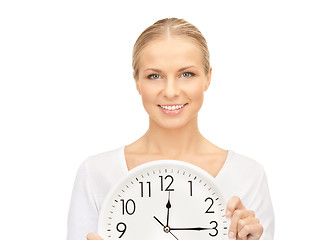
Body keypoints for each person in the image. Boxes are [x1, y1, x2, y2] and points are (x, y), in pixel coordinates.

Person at [66, 17, 275, 240]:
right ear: (137, 82)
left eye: (186, 74)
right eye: (154, 76)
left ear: (208, 78)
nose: (170, 91)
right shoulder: (96, 172)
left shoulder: (249, 175)